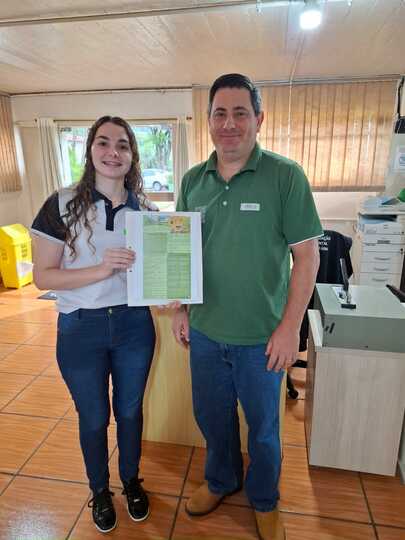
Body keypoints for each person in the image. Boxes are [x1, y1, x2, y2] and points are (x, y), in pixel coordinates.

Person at [172, 74, 323, 540]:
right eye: (220, 113)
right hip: (205, 333)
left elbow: (307, 257)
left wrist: (289, 328)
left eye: (240, 113)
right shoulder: (193, 181)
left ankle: (263, 498)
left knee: (263, 429)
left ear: (259, 119)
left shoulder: (285, 176)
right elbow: (180, 251)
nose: (229, 123)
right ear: (208, 121)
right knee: (212, 418)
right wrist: (180, 309)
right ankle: (221, 480)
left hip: (262, 338)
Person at [31, 116, 157, 534]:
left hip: (134, 326)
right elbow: (43, 277)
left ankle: (132, 481)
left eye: (122, 145)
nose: (113, 152)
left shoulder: (146, 211)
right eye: (103, 143)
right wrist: (101, 270)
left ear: (132, 155)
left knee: (131, 412)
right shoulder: (61, 204)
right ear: (89, 151)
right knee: (94, 417)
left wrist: (172, 293)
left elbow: (155, 278)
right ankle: (100, 491)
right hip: (80, 329)